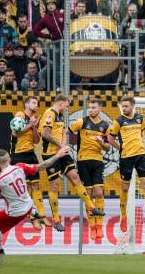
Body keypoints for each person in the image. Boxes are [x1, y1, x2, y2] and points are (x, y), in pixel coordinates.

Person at [0, 146, 69, 254]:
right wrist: (58, 155)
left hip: (15, 212)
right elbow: (42, 166)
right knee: (27, 199)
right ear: (9, 159)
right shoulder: (20, 167)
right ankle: (34, 213)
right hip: (29, 205)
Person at [37, 94, 104, 232]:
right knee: (55, 186)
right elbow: (45, 134)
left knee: (75, 178)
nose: (66, 109)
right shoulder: (50, 113)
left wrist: (63, 146)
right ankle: (56, 220)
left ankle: (91, 208)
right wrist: (59, 147)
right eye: (66, 106)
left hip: (62, 153)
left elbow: (60, 133)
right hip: (51, 154)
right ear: (61, 104)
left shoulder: (60, 116)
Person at [107, 95, 145, 232]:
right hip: (126, 157)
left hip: (140, 155)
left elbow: (140, 134)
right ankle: (123, 217)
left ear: (132, 106)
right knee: (125, 188)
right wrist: (121, 149)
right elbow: (110, 138)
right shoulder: (118, 121)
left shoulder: (140, 118)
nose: (123, 108)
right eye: (122, 106)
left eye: (126, 106)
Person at [68, 98, 110, 241]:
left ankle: (99, 226)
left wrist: (102, 142)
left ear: (100, 109)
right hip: (83, 160)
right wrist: (63, 145)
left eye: (94, 107)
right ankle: (92, 227)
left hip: (98, 161)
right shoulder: (82, 121)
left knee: (99, 192)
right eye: (90, 107)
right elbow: (66, 131)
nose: (91, 110)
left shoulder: (105, 126)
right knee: (89, 194)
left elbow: (108, 147)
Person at [9, 96, 48, 229]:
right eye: (34, 103)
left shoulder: (34, 119)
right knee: (25, 190)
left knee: (36, 186)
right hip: (19, 156)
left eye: (37, 103)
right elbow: (15, 133)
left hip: (31, 155)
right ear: (26, 104)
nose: (36, 105)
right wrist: (30, 124)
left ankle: (41, 216)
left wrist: (35, 127)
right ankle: (33, 218)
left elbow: (37, 141)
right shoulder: (20, 115)